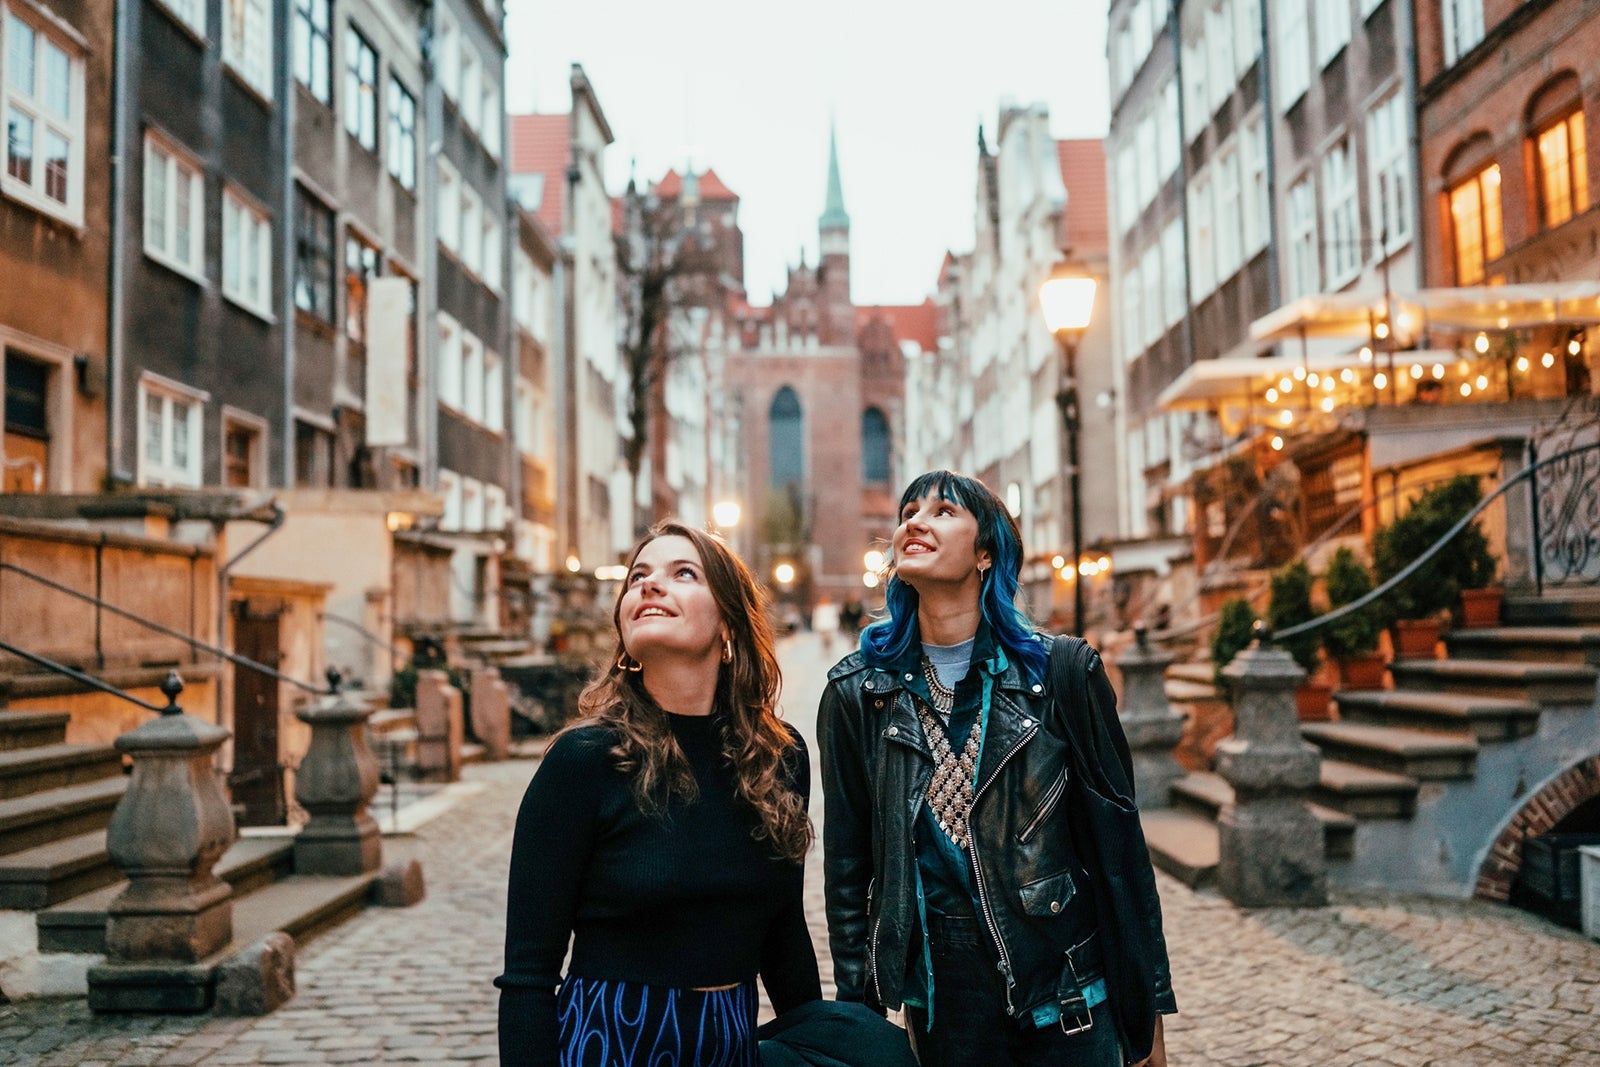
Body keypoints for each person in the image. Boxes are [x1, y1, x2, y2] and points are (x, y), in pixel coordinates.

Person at [818, 470, 1176, 1067]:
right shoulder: (860, 694)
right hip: (944, 1006)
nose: (915, 521)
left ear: (986, 553)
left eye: (943, 512)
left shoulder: (1062, 675)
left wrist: (1146, 1019)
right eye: (909, 511)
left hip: (1068, 995)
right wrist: (860, 1017)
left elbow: (1120, 860)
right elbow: (849, 870)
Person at [496, 521, 820, 1066]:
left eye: (683, 573)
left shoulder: (778, 759)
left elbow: (783, 933)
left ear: (729, 627)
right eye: (638, 576)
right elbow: (528, 975)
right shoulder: (582, 761)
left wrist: (820, 1041)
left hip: (731, 1047)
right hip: (611, 1043)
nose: (649, 585)